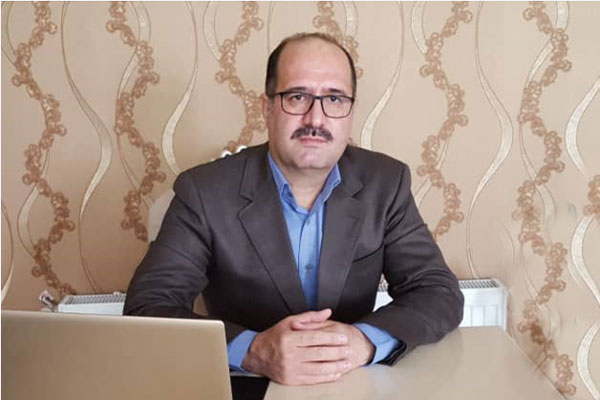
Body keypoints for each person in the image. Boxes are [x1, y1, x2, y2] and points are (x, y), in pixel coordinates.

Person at [124, 32, 464, 386]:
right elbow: (148, 306)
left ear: (350, 112)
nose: (315, 119)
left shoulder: (385, 183)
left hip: (351, 383)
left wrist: (364, 341)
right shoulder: (204, 191)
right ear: (267, 107)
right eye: (297, 96)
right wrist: (253, 350)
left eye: (334, 98)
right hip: (246, 386)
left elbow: (436, 291)